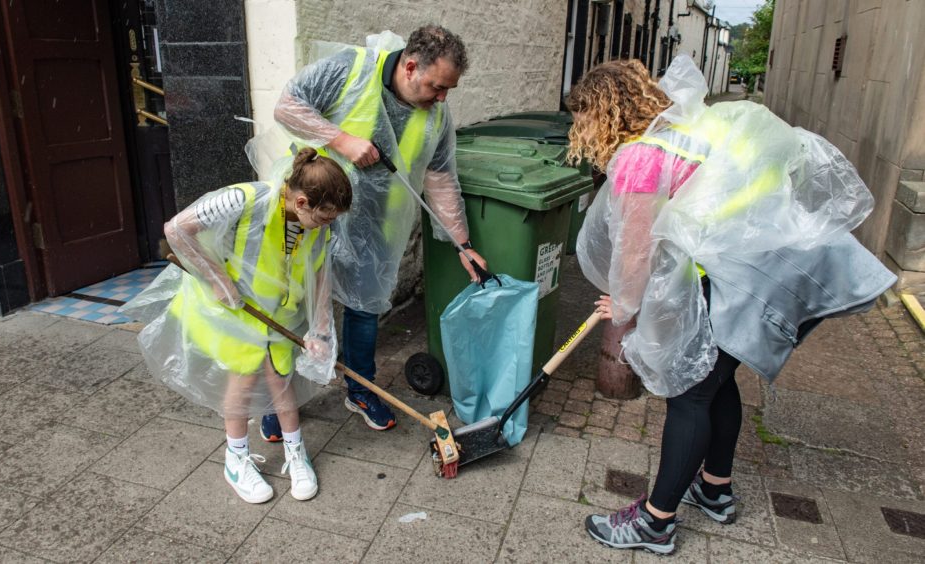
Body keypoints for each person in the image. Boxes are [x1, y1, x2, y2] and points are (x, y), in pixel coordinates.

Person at [565, 57, 895, 555]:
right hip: (768, 270)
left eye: (579, 118)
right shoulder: (692, 130)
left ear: (601, 114)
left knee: (690, 393)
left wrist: (626, 307)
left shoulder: (641, 157)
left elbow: (636, 251)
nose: (577, 129)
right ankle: (715, 489)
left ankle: (656, 522)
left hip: (733, 282)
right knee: (717, 383)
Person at [258, 25, 487, 438]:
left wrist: (462, 245)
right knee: (295, 306)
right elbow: (287, 107)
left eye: (448, 89)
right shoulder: (351, 69)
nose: (442, 97)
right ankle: (280, 397)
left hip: (376, 225)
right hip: (312, 213)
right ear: (411, 66)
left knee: (364, 309)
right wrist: (341, 139)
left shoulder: (437, 114)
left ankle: (360, 388)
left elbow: (441, 178)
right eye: (437, 86)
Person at [123, 148, 353, 504]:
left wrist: (321, 330)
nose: (328, 225)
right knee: (243, 378)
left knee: (281, 376)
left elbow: (321, 273)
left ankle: (296, 453)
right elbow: (177, 229)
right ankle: (236, 459)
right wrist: (216, 279)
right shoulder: (244, 200)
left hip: (279, 315)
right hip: (234, 309)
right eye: (324, 218)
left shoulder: (316, 226)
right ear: (303, 202)